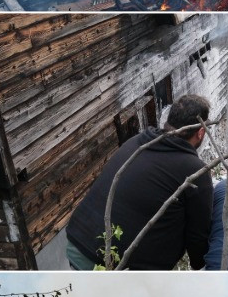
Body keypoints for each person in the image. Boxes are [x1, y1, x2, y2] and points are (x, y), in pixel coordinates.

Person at [65, 95, 213, 270]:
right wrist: (201, 265)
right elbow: (198, 240)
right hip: (115, 267)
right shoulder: (195, 170)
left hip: (77, 244)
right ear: (201, 132)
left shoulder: (136, 141)